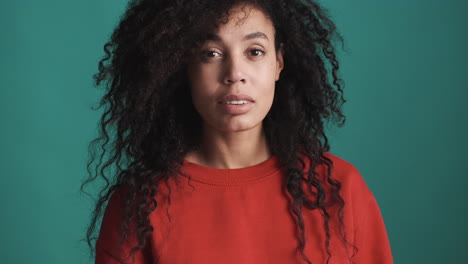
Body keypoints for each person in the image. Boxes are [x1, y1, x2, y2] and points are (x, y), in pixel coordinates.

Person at [82, 0, 394, 263]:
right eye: (211, 53)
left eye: (254, 51)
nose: (234, 74)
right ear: (182, 67)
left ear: (279, 62)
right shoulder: (138, 204)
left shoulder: (341, 188)